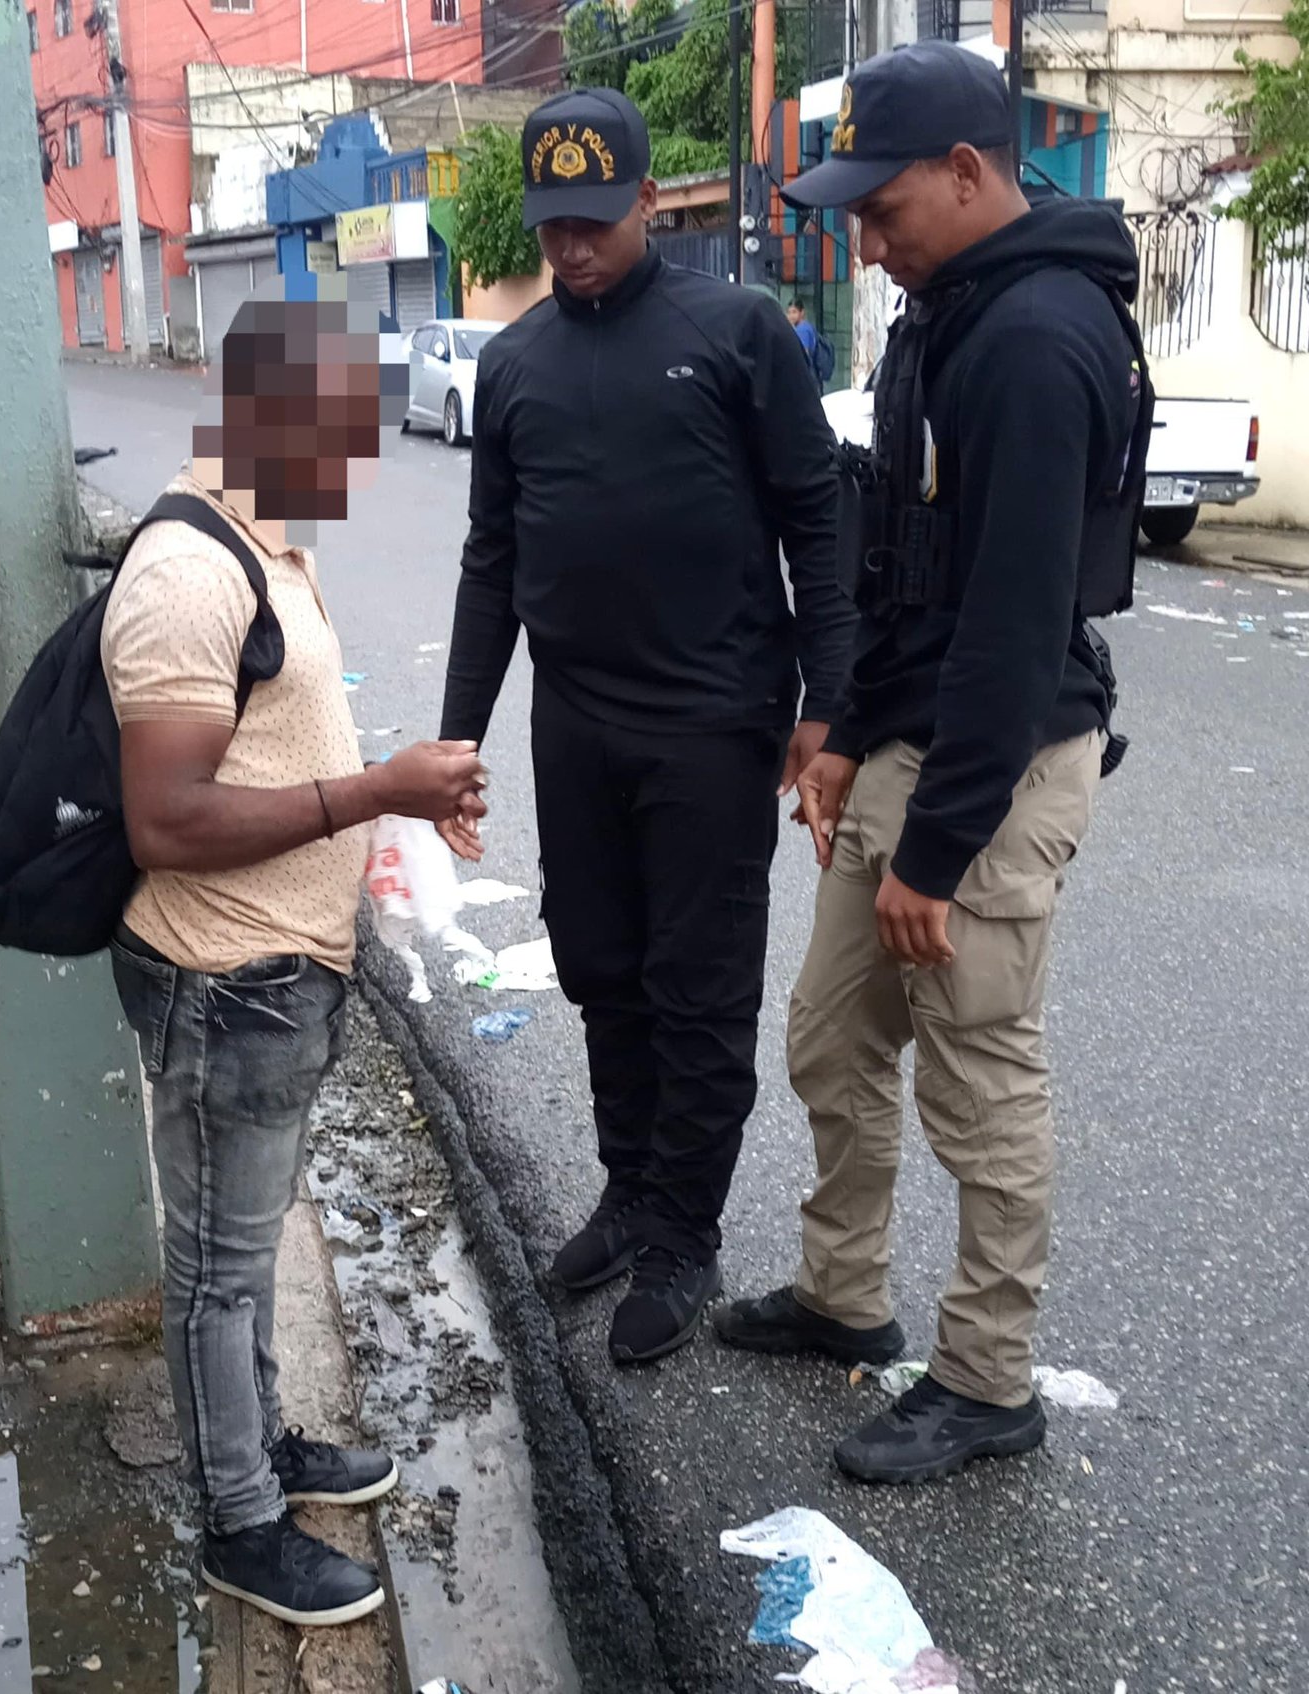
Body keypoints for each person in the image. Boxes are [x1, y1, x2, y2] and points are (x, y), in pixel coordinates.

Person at [714, 40, 1145, 1483]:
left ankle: (985, 1377)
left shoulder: (1032, 343)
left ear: (967, 173)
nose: (864, 242)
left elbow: (1016, 629)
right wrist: (844, 731)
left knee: (978, 1076)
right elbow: (909, 567)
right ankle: (843, 1291)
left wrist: (938, 852)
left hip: (995, 766)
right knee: (832, 1034)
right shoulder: (944, 311)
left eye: (882, 210)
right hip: (912, 736)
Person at [437, 88, 852, 1366]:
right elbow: (491, 561)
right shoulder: (513, 363)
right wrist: (457, 739)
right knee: (598, 963)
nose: (570, 247)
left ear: (646, 202)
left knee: (697, 986)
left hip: (712, 724)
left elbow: (818, 520)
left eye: (594, 221)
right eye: (551, 225)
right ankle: (629, 1190)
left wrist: (826, 704)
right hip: (575, 722)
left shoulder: (734, 331)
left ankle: (682, 1232)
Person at [103, 288, 488, 1620]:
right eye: (341, 426)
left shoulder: (266, 540)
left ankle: (258, 1445)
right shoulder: (187, 573)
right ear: (263, 412)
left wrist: (398, 806)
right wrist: (375, 791)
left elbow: (278, 744)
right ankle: (239, 1521)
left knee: (246, 1244)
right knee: (217, 1269)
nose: (359, 453)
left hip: (280, 974)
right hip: (223, 980)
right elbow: (165, 818)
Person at [786, 298, 822, 385]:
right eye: (789, 312)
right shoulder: (807, 326)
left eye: (794, 312)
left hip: (804, 375)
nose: (791, 316)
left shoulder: (802, 330)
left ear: (802, 312)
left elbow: (803, 355)